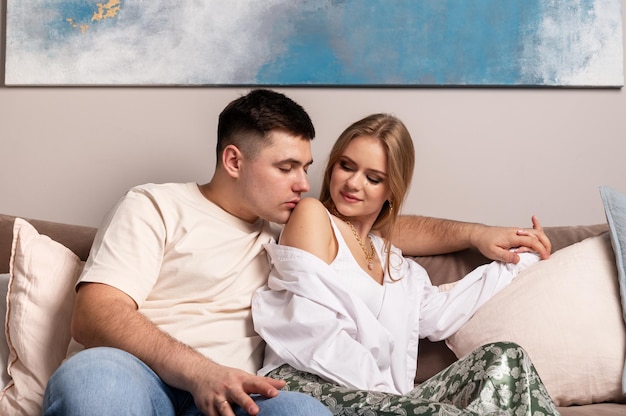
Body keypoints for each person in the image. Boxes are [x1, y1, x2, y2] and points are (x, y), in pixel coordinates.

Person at [42, 90, 550, 416]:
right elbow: (95, 315)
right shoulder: (156, 205)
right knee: (95, 378)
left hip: (241, 397)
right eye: (287, 167)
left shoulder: (282, 230)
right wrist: (199, 372)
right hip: (144, 376)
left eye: (307, 167)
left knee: (305, 414)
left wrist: (481, 235)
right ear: (234, 159)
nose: (304, 184)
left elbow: (382, 235)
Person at [252, 113, 559, 415]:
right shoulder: (313, 216)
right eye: (346, 166)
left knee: (506, 356)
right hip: (305, 385)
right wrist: (390, 396)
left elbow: (443, 312)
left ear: (391, 190)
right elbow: (310, 330)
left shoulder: (393, 261)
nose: (353, 183)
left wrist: (522, 256)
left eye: (373, 178)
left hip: (378, 400)